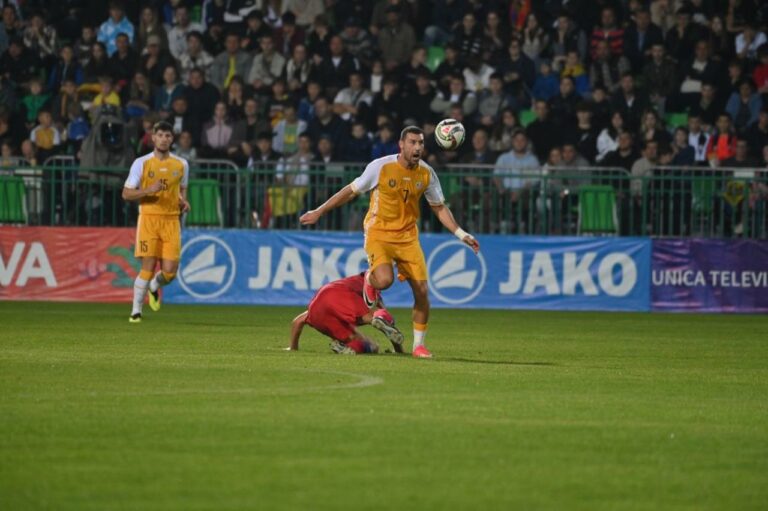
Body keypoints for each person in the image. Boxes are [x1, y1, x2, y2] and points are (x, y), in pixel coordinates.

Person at [299, 126, 480, 359]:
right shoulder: (380, 167)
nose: (417, 148)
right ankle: (369, 279)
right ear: (401, 145)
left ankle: (418, 346)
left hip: (407, 238)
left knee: (422, 292)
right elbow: (351, 190)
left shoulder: (426, 173)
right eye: (413, 143)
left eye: (421, 143)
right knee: (384, 280)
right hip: (379, 233)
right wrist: (320, 211)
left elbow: (438, 207)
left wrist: (461, 233)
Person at [122, 121, 190, 323]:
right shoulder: (141, 163)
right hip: (149, 219)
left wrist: (183, 202)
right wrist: (147, 190)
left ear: (172, 139)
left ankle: (154, 286)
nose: (164, 139)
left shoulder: (181, 164)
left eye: (167, 135)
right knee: (148, 266)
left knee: (169, 273)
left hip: (171, 221)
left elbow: (182, 189)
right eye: (160, 135)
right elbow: (126, 193)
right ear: (153, 138)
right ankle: (136, 311)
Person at [287, 273, 405, 355]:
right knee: (380, 317)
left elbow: (297, 321)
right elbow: (388, 324)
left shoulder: (353, 281)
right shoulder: (370, 282)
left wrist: (293, 348)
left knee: (358, 341)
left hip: (317, 307)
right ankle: (375, 320)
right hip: (338, 294)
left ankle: (344, 346)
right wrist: (399, 349)